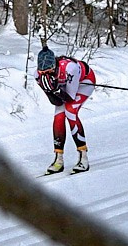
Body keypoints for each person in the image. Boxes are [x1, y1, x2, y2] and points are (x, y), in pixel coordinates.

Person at [36, 42, 95, 173]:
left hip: (84, 82)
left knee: (70, 112)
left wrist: (55, 89)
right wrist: (50, 91)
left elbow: (69, 97)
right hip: (64, 87)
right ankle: (58, 159)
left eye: (49, 71)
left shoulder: (70, 68)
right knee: (58, 117)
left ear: (54, 65)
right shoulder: (38, 75)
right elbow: (56, 102)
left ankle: (83, 157)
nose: (46, 74)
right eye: (43, 72)